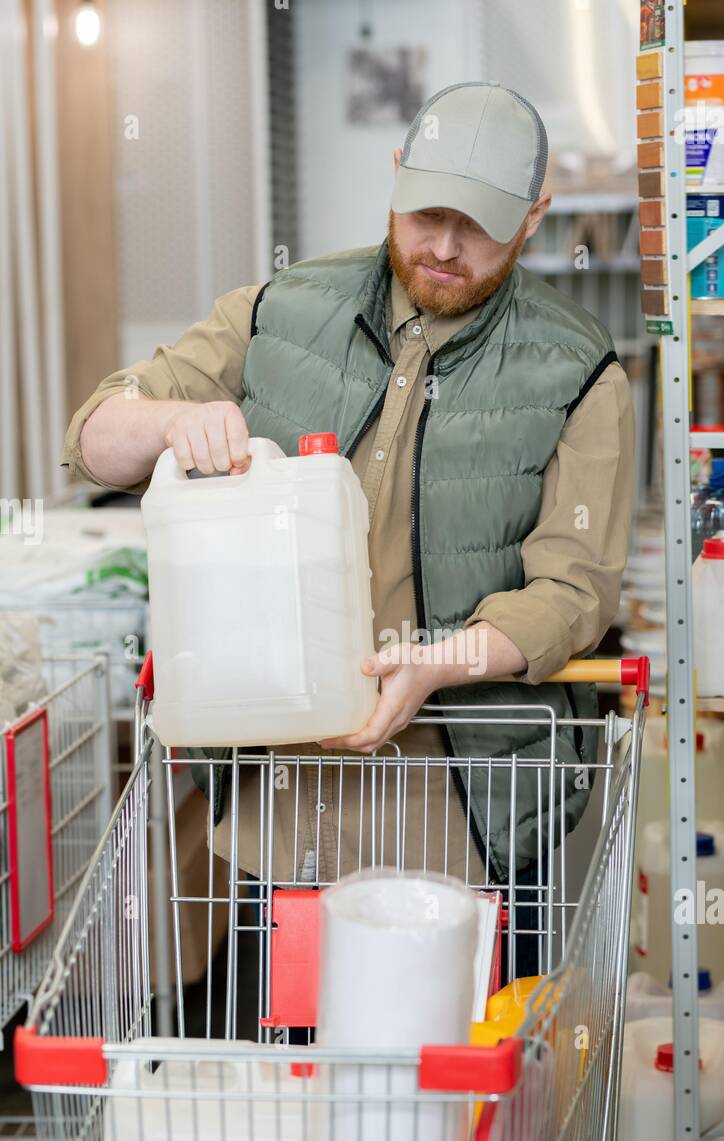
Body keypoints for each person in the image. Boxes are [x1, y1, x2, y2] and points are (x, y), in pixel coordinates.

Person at [66, 82, 634, 977]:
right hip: (284, 804)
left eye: (478, 225)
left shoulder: (579, 372)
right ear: (395, 175)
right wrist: (171, 424)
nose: (444, 247)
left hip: (466, 804)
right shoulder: (281, 312)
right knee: (298, 1088)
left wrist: (437, 664)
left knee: (454, 1091)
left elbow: (573, 593)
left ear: (535, 217)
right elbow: (97, 435)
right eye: (427, 213)